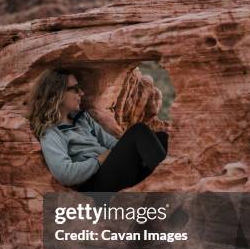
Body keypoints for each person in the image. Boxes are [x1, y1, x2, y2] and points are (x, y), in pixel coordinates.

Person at [28, 68, 169, 193]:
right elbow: (65, 173)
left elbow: (112, 144)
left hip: (113, 170)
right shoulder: (51, 133)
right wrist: (100, 159)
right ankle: (170, 181)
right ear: (57, 94)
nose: (81, 93)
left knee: (161, 137)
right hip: (95, 184)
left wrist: (129, 153)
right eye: (75, 89)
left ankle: (165, 184)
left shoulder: (83, 119)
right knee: (139, 131)